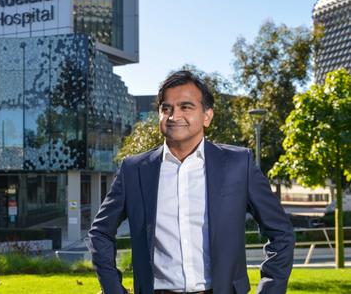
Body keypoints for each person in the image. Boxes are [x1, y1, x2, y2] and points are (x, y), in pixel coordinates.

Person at [88, 70, 294, 294]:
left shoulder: (238, 164)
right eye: (166, 108)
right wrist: (113, 289)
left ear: (207, 116)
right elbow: (100, 232)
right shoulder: (134, 170)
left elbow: (281, 232)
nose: (174, 116)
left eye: (185, 107)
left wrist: (270, 290)